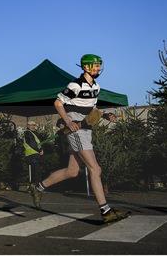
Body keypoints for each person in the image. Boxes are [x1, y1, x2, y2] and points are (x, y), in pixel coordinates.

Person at [30, 54, 130, 224]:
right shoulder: (75, 85)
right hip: (75, 129)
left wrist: (106, 115)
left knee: (72, 171)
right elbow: (58, 103)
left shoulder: (96, 87)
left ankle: (37, 187)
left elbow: (93, 109)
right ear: (86, 67)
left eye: (99, 65)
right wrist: (68, 121)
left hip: (85, 128)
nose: (98, 68)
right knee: (95, 168)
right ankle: (106, 211)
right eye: (95, 66)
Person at [24, 121, 44, 190]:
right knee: (35, 172)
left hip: (34, 154)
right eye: (33, 125)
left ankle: (34, 187)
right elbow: (32, 143)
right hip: (32, 155)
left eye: (34, 125)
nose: (34, 126)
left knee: (36, 171)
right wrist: (40, 150)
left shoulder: (32, 133)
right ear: (29, 126)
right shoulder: (28, 133)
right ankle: (35, 187)